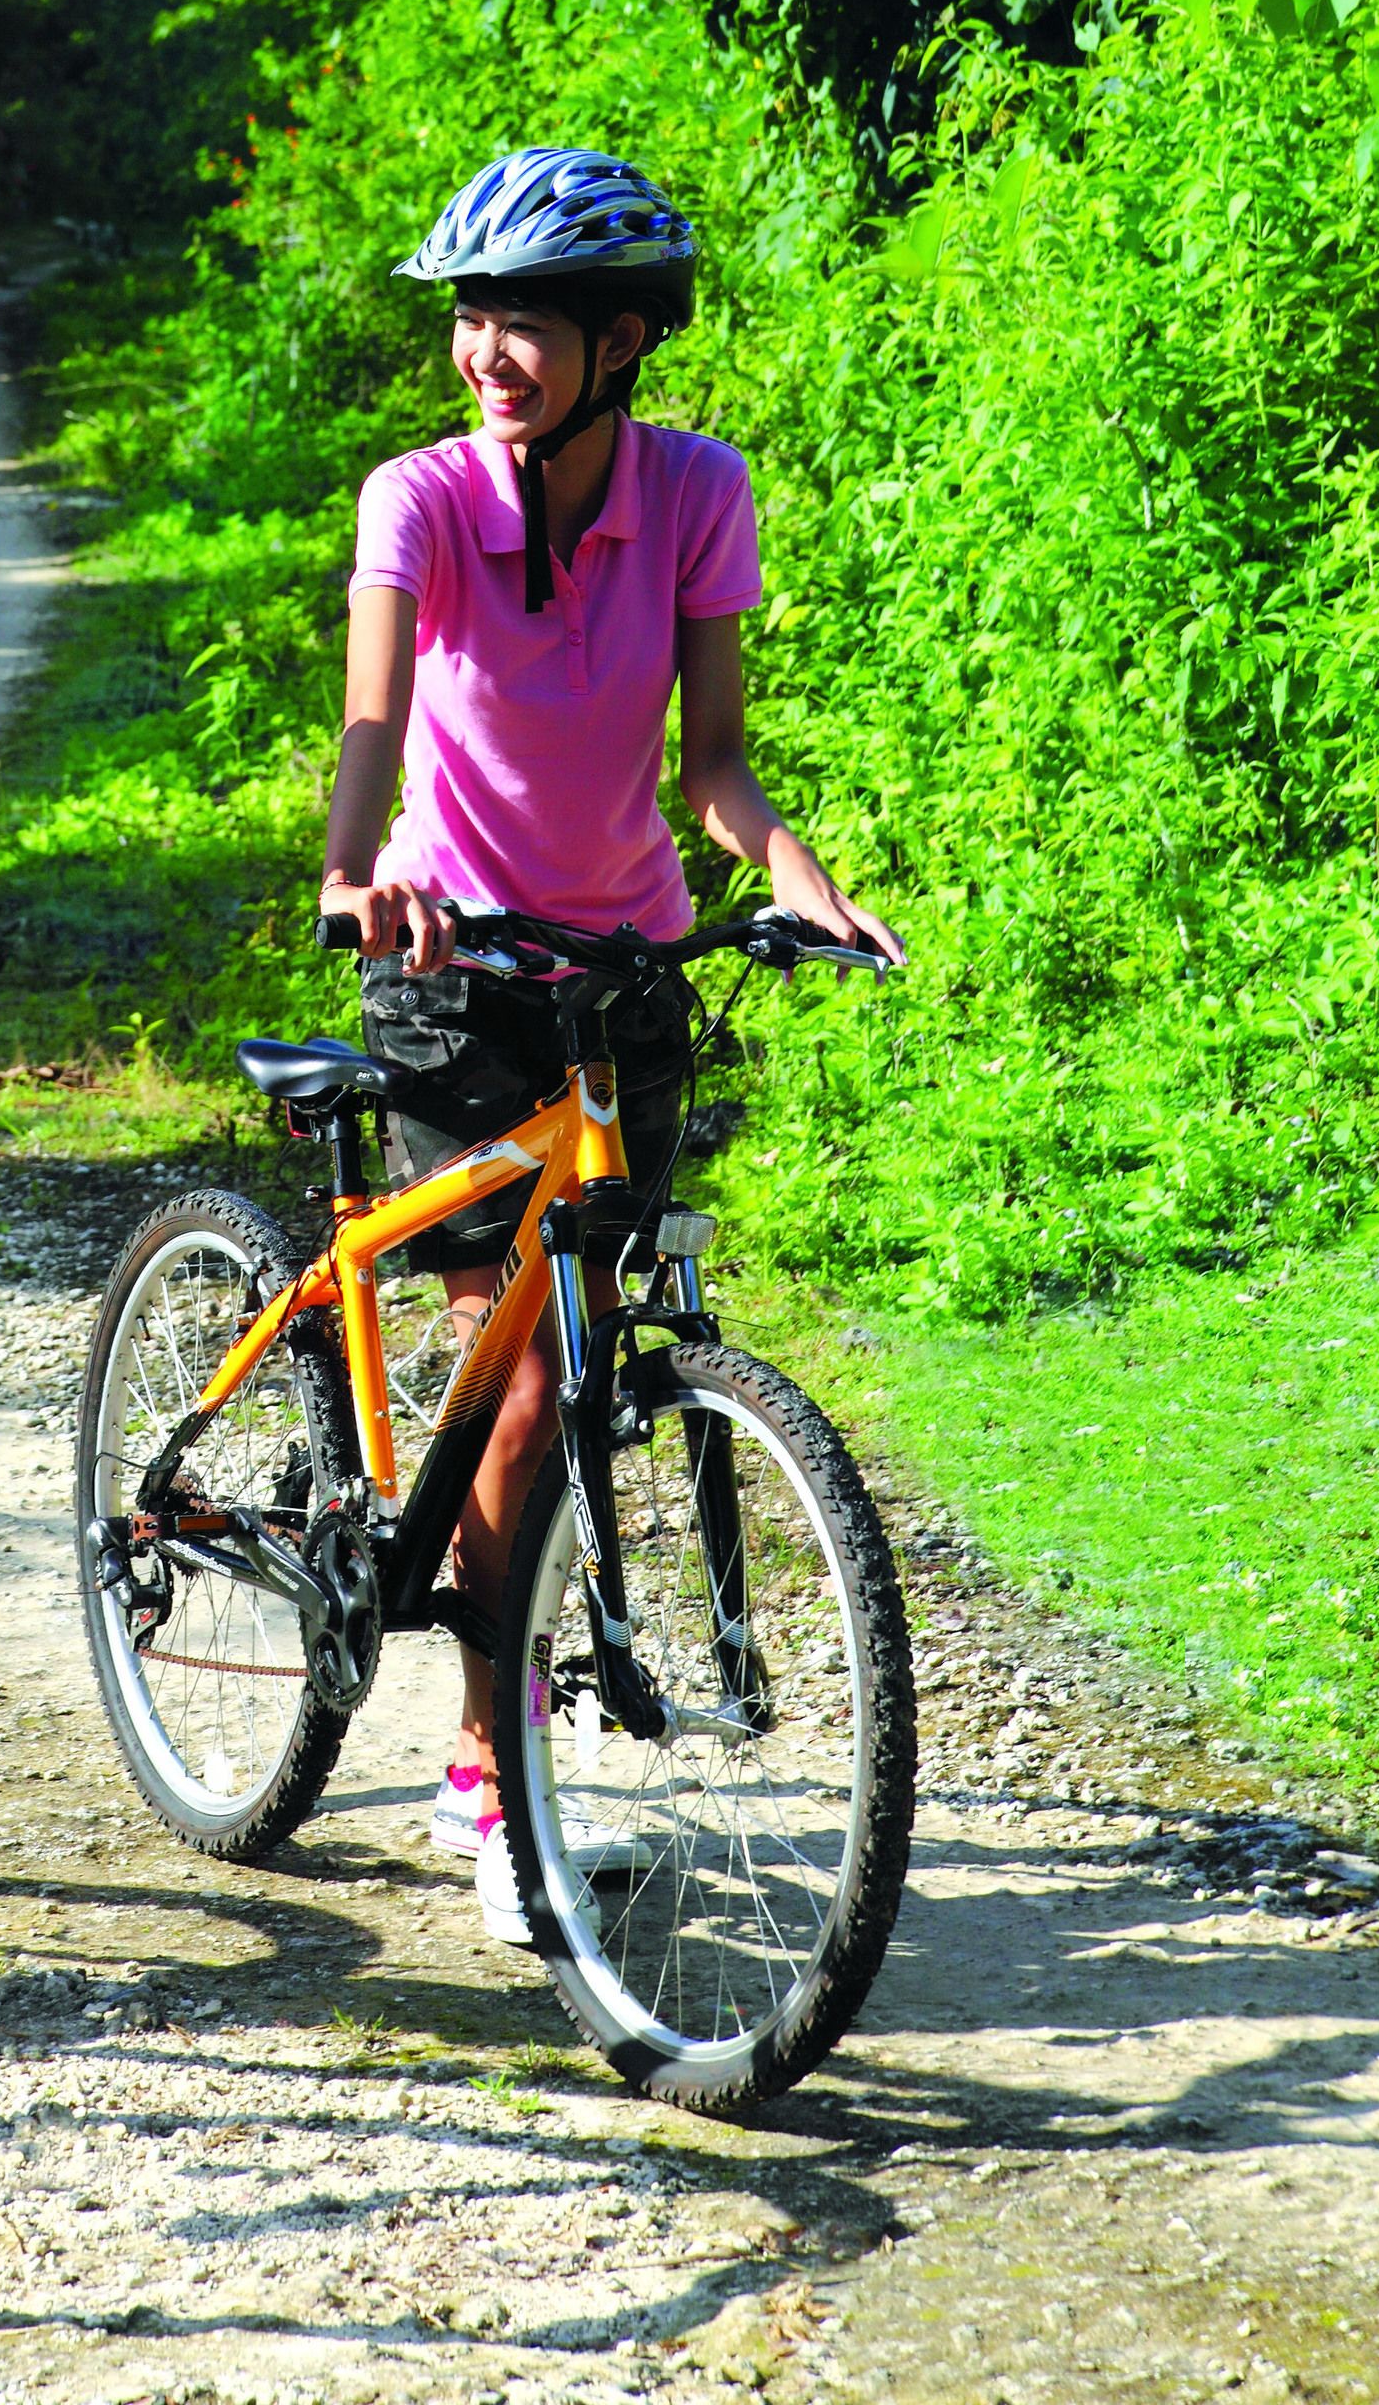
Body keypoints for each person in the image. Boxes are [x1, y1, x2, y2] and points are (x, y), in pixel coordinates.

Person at [316, 150, 901, 1943]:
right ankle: (493, 1784)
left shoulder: (697, 493)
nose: (487, 350)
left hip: (624, 974)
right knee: (519, 1390)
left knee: (575, 1367)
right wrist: (358, 868)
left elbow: (713, 760)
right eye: (471, 317)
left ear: (623, 342)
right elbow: (373, 714)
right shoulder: (415, 500)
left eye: (527, 322)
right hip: (455, 967)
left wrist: (805, 883)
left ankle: (501, 1744)